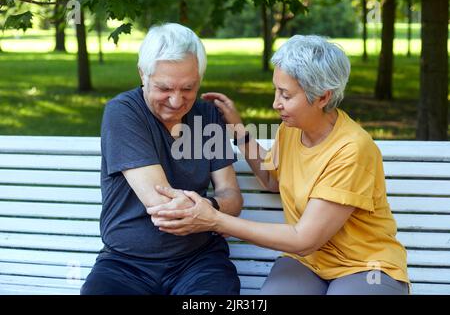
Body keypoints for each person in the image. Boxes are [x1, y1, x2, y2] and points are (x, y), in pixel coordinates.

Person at [148, 35, 410, 295]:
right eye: (276, 90)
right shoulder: (292, 128)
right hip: (309, 262)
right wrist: (239, 130)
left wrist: (215, 220)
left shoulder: (352, 149)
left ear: (322, 97)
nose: (275, 103)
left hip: (364, 266)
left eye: (286, 94)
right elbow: (272, 180)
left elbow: (304, 239)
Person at [81, 23, 242, 295]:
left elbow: (233, 198)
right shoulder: (123, 113)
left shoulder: (206, 117)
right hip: (126, 265)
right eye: (164, 88)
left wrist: (210, 204)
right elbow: (163, 207)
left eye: (188, 88)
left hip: (198, 261)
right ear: (143, 74)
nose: (177, 101)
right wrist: (212, 211)